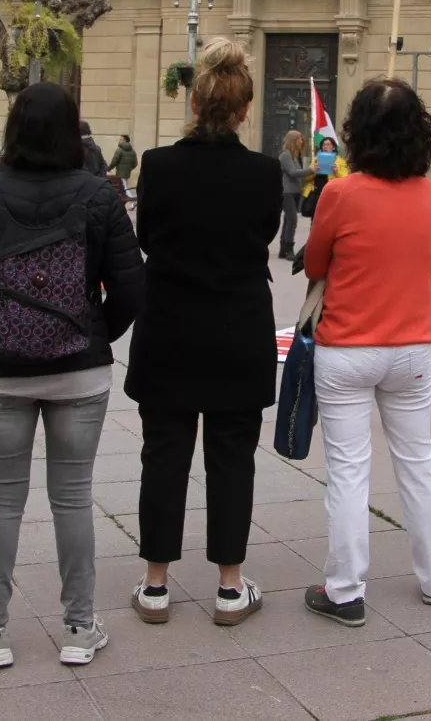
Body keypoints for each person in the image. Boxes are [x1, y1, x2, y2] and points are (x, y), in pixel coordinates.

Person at [0, 83, 145, 669]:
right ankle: (80, 627)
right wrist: (94, 332)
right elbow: (131, 286)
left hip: (0, 376)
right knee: (73, 499)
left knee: (1, 501)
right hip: (80, 373)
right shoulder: (100, 196)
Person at [126, 39, 281, 627]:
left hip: (169, 327)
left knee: (163, 454)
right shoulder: (264, 174)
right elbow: (264, 235)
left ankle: (157, 584)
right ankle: (229, 587)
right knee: (232, 458)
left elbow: (147, 238)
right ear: (243, 110)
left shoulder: (158, 164)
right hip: (239, 330)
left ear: (194, 104)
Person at [301, 79, 431, 626]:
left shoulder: (341, 194)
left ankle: (344, 589)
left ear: (357, 132)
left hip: (346, 349)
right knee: (419, 464)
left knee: (347, 471)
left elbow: (316, 264)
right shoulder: (430, 195)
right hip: (411, 349)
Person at [278, 129, 312, 260]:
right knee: (292, 219)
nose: (301, 141)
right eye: (299, 139)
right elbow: (292, 172)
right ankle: (289, 248)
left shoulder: (295, 156)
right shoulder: (285, 155)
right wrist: (311, 170)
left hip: (294, 191)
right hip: (286, 192)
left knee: (288, 219)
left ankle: (283, 248)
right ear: (292, 140)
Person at [300, 136, 347, 217]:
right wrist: (314, 171)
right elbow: (306, 178)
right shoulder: (315, 160)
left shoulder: (340, 161)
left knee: (330, 218)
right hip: (316, 193)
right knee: (315, 218)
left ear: (333, 147)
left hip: (332, 194)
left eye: (328, 144)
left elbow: (346, 178)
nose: (326, 146)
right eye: (324, 145)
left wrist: (337, 171)